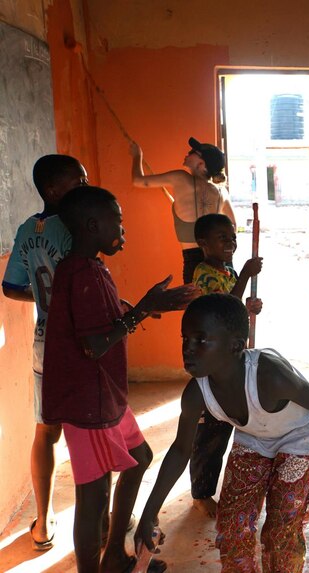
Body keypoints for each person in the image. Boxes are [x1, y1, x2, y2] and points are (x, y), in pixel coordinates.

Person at [134, 293, 309, 573]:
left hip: (298, 438)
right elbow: (180, 451)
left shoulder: (269, 376)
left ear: (236, 346)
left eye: (201, 340)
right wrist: (149, 512)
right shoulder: (196, 393)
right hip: (253, 439)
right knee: (232, 527)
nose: (188, 348)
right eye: (185, 338)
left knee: (280, 531)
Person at [42, 185, 197, 573]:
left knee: (138, 458)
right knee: (92, 497)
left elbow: (97, 320)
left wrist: (138, 308)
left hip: (104, 395)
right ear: (93, 225)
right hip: (87, 403)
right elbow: (94, 345)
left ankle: (113, 556)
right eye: (119, 221)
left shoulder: (90, 267)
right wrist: (144, 308)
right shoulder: (80, 272)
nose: (123, 229)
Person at [2, 155, 88, 550]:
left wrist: (42, 297)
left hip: (44, 339)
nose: (85, 188)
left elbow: (10, 286)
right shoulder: (75, 230)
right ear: (53, 190)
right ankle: (99, 516)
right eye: (78, 182)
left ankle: (43, 522)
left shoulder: (26, 229)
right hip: (79, 339)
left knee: (46, 431)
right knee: (89, 428)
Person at [187, 213, 263, 518]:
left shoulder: (227, 271)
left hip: (229, 364)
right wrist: (245, 275)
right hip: (211, 367)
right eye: (223, 238)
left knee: (229, 427)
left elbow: (232, 310)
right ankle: (201, 494)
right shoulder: (204, 273)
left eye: (233, 236)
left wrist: (247, 309)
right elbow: (219, 313)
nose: (230, 242)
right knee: (209, 434)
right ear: (204, 244)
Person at [131, 137, 236, 283]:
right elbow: (233, 228)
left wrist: (137, 155)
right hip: (221, 261)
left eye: (193, 152)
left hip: (193, 261)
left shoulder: (180, 178)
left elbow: (138, 180)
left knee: (198, 306)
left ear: (201, 163)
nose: (188, 152)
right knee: (226, 304)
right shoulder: (221, 192)